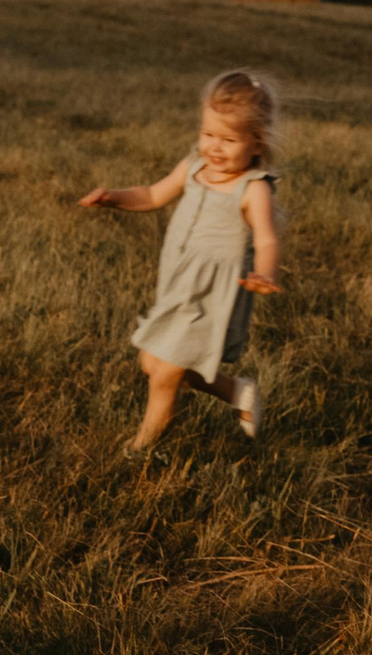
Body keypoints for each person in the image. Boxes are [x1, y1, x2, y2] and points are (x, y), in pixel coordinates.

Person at [79, 69, 282, 453]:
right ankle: (239, 391)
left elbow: (267, 238)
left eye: (229, 139)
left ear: (257, 143)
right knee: (152, 364)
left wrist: (265, 273)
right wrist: (114, 198)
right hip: (178, 284)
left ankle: (142, 448)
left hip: (213, 294)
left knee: (166, 375)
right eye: (208, 135)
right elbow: (154, 195)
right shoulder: (193, 168)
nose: (215, 147)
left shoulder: (253, 188)